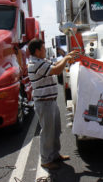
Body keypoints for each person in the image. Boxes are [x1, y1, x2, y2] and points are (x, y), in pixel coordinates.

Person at [28, 38, 78, 170]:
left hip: (50, 101)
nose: (45, 51)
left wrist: (65, 57)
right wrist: (66, 58)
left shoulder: (41, 61)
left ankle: (54, 155)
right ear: (37, 51)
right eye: (43, 49)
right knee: (48, 132)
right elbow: (56, 70)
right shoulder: (35, 64)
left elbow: (55, 64)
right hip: (44, 103)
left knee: (55, 130)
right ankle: (46, 159)